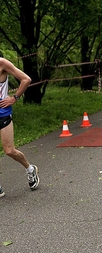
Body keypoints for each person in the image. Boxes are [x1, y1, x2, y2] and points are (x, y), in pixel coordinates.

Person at [0, 52, 40, 197]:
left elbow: (26, 79)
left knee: (9, 151)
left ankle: (30, 169)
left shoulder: (2, 63)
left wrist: (14, 98)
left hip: (2, 113)